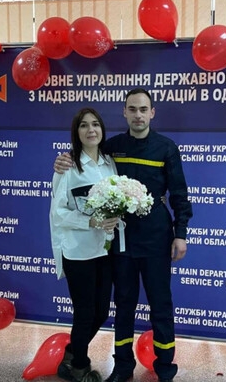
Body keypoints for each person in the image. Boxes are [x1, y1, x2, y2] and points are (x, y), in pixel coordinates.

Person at [53, 88, 193, 382]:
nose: (138, 115)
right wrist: (63, 160)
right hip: (120, 242)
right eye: (132, 109)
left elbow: (179, 194)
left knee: (161, 305)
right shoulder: (112, 148)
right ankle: (123, 366)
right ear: (124, 112)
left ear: (152, 113)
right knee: (124, 304)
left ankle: (165, 368)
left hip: (156, 241)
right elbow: (85, 155)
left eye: (143, 109)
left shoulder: (166, 148)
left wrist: (180, 233)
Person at [50, 107, 122, 382]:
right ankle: (78, 366)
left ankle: (71, 353)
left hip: (104, 249)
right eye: (84, 125)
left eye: (95, 124)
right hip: (78, 252)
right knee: (85, 313)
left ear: (102, 129)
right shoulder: (68, 166)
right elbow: (58, 213)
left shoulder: (109, 163)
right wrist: (89, 222)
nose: (91, 129)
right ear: (76, 132)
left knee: (101, 312)